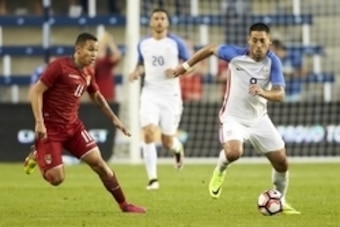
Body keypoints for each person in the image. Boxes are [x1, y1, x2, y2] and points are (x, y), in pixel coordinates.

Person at [167, 22, 300, 214]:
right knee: (234, 152)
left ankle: (280, 200)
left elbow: (280, 94)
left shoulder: (274, 62)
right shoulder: (235, 55)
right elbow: (211, 48)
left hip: (259, 119)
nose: (258, 45)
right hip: (233, 118)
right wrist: (185, 66)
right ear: (249, 40)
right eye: (254, 40)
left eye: (262, 41)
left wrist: (263, 92)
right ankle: (220, 171)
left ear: (269, 42)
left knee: (282, 162)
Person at [23, 32, 146, 214]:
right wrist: (39, 122)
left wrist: (115, 120)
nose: (94, 54)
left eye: (96, 50)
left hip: (73, 127)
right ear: (78, 49)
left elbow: (97, 97)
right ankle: (37, 153)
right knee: (56, 179)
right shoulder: (59, 67)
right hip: (50, 130)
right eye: (90, 50)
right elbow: (36, 92)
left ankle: (124, 205)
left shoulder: (89, 71)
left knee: (99, 164)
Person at [128, 8, 189, 190]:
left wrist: (179, 70)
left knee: (167, 141)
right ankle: (153, 179)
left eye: (163, 18)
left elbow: (191, 64)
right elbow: (140, 64)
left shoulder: (176, 42)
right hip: (150, 93)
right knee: (148, 132)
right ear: (151, 22)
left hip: (170, 95)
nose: (160, 21)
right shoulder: (143, 44)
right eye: (156, 18)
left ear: (167, 22)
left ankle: (177, 149)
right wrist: (135, 72)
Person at [95, 31, 122, 102]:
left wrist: (110, 43)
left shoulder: (107, 62)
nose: (101, 51)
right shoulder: (93, 62)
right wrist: (101, 45)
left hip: (109, 96)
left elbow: (118, 56)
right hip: (96, 97)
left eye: (103, 49)